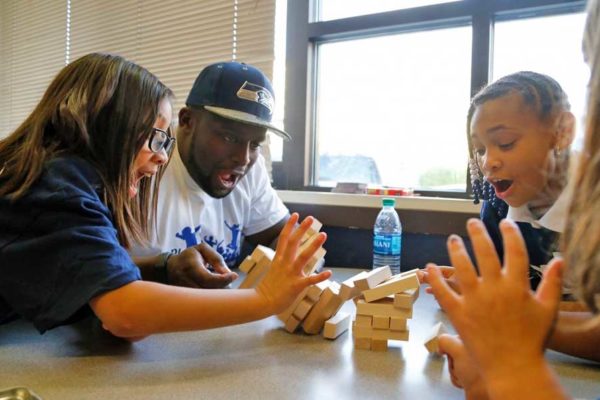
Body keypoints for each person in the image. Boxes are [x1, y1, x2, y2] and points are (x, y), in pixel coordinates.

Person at [0, 53, 331, 339]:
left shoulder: (69, 179)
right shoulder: (59, 184)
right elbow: (125, 314)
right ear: (109, 130)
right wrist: (265, 299)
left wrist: (164, 269)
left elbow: (97, 277)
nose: (160, 157)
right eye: (154, 137)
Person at [426, 0, 600, 397]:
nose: (489, 162)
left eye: (504, 142)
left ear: (562, 132)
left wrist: (510, 322)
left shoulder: (592, 207)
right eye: (481, 150)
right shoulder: (498, 209)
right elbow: (512, 299)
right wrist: (478, 294)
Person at [131, 61, 293, 290]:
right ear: (187, 121)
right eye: (229, 138)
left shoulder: (249, 168)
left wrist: (303, 260)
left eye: (255, 144)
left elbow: (283, 235)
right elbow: (88, 264)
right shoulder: (144, 159)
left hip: (219, 317)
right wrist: (163, 268)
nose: (244, 158)